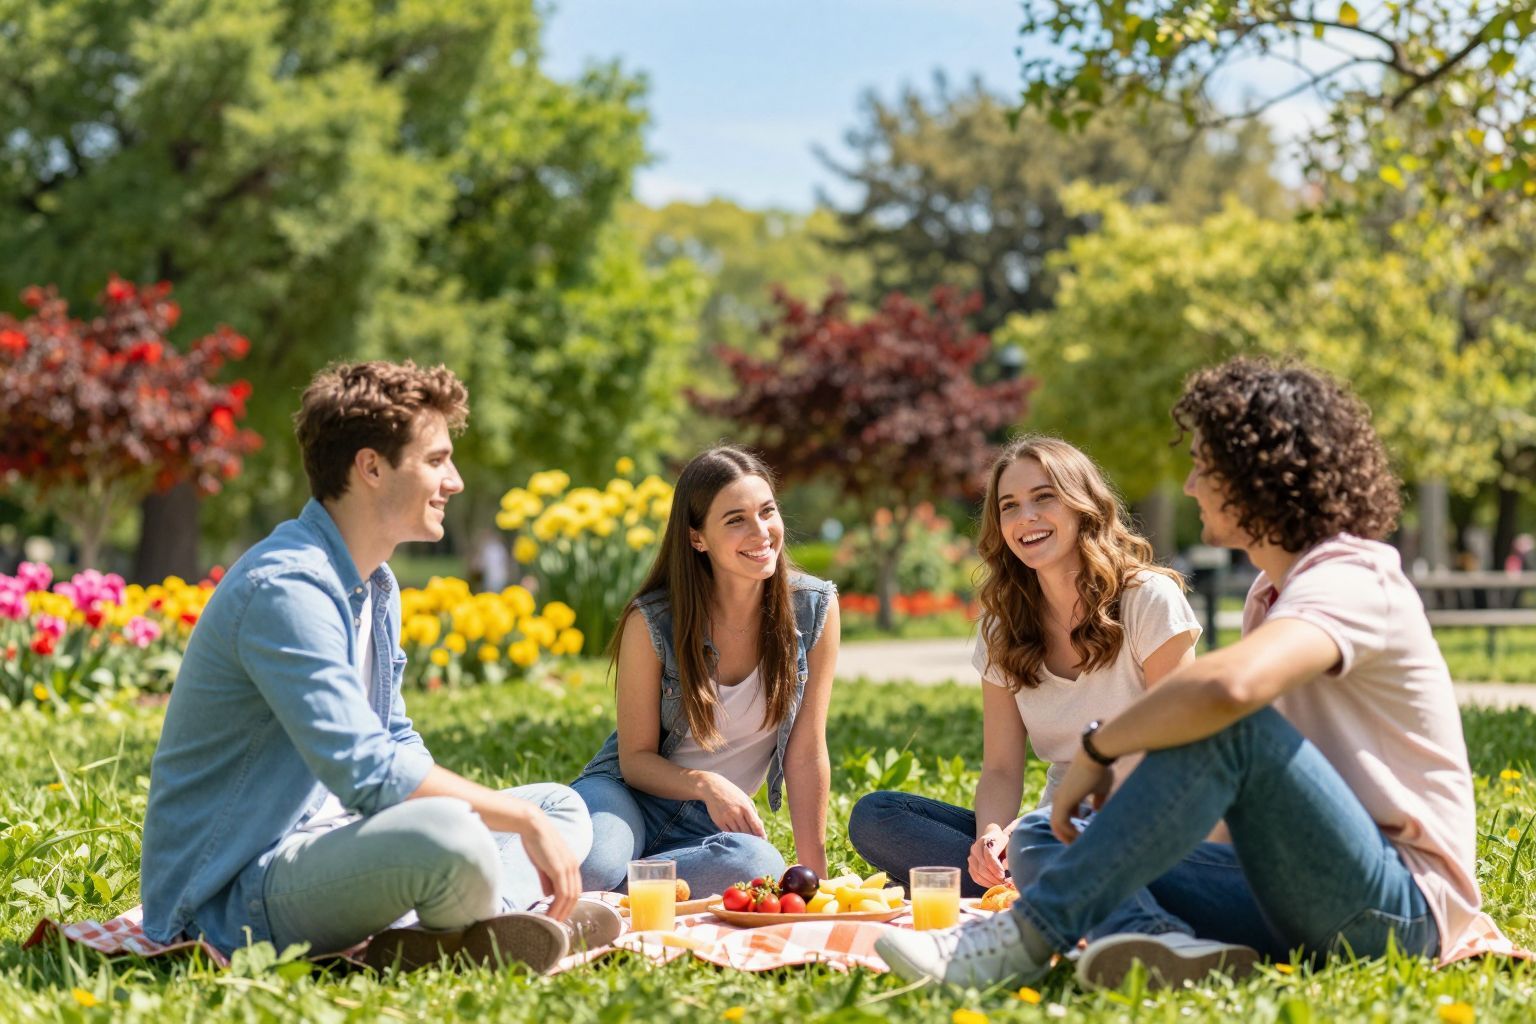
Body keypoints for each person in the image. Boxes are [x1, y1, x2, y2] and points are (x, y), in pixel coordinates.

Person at [876, 357, 1508, 990]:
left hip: (1397, 909)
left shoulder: (1352, 576)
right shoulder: (1271, 596)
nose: (1189, 486)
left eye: (1204, 466)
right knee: (1044, 833)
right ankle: (1151, 944)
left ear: (1255, 476)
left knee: (1231, 725)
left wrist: (1099, 750)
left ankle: (1019, 940)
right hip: (1292, 886)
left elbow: (1224, 694)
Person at [141, 360, 616, 974]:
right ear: (370, 467)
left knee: (560, 807)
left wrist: (522, 815)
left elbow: (394, 737)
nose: (456, 480)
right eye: (437, 459)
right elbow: (366, 769)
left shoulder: (377, 586)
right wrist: (506, 817)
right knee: (454, 838)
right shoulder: (286, 587)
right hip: (230, 896)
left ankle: (465, 929)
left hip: (336, 848)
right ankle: (489, 926)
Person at [848, 437, 1206, 914]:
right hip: (1045, 838)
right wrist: (991, 837)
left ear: (1083, 506)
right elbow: (999, 769)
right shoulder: (1002, 625)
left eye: (1044, 498)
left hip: (1146, 820)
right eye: (1009, 506)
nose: (1025, 518)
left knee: (1049, 844)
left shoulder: (1147, 599)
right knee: (876, 815)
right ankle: (1021, 886)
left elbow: (1181, 752)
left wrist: (1063, 819)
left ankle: (1047, 889)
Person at [572, 445, 840, 894]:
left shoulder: (814, 609)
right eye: (735, 520)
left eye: (767, 512)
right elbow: (635, 761)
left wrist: (820, 880)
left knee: (757, 861)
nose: (761, 532)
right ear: (697, 537)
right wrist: (706, 784)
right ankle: (599, 880)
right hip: (623, 799)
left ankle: (607, 897)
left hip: (708, 828)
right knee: (595, 865)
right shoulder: (654, 621)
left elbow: (807, 751)